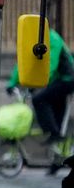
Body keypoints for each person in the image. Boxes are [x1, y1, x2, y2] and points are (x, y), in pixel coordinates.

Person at [9, 26, 74, 174]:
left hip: (68, 80)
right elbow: (24, 63)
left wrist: (37, 82)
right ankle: (57, 160)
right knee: (56, 118)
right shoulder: (34, 41)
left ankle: (53, 134)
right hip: (58, 81)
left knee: (39, 99)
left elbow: (51, 63)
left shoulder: (53, 38)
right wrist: (12, 83)